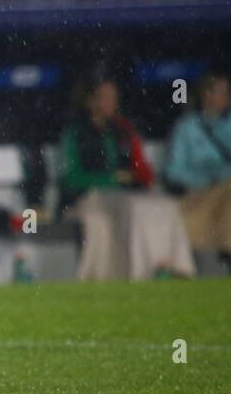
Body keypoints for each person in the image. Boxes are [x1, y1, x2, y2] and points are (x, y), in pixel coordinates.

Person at [59, 75, 195, 280]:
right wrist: (112, 179)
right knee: (135, 209)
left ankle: (175, 268)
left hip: (126, 194)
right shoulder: (75, 133)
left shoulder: (123, 129)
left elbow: (141, 168)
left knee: (166, 205)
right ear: (89, 101)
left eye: (113, 97)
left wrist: (137, 176)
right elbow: (71, 177)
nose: (111, 102)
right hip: (90, 197)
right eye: (104, 97)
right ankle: (141, 273)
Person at [164, 72, 231, 261]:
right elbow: (173, 172)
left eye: (227, 92)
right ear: (206, 94)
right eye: (221, 92)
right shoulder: (187, 127)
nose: (226, 97)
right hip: (200, 194)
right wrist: (209, 179)